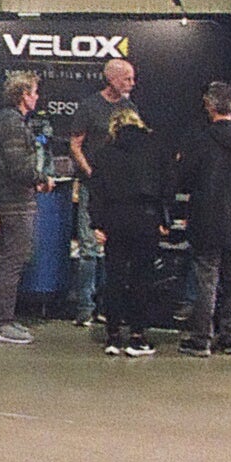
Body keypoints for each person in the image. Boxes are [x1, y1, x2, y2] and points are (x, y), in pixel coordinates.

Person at [172, 81, 231, 358]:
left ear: (209, 105)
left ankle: (201, 339)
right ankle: (230, 338)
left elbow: (184, 179)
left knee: (206, 279)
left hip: (205, 219)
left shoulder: (200, 141)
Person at [83, 104, 165, 357]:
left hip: (115, 220)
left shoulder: (104, 153)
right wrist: (164, 219)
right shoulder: (154, 150)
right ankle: (138, 336)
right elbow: (166, 185)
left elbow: (95, 193)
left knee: (115, 277)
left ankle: (113, 335)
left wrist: (97, 224)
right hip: (146, 219)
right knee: (142, 278)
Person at [65, 56, 138, 337]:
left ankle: (110, 306)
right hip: (92, 186)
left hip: (119, 190)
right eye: (127, 79)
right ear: (112, 79)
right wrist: (91, 173)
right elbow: (75, 144)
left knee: (114, 250)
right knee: (88, 248)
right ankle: (84, 308)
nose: (131, 83)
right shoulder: (90, 107)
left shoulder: (130, 108)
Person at [0, 70, 49, 345]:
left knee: (9, 258)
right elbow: (19, 166)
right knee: (13, 258)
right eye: (34, 92)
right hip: (15, 200)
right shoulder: (12, 125)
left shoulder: (4, 122)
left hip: (9, 198)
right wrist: (41, 179)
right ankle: (3, 323)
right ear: (23, 94)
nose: (37, 97)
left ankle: (4, 319)